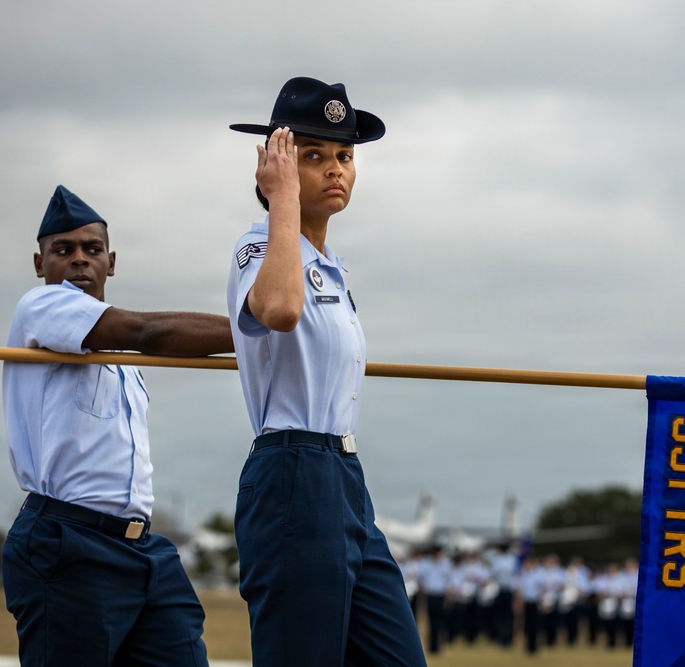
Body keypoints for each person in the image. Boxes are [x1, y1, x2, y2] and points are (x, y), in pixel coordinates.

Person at [226, 76, 427, 666]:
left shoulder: (328, 263)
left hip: (344, 476)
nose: (335, 168)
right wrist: (281, 199)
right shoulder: (258, 246)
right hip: (292, 470)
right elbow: (282, 311)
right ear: (276, 168)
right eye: (312, 157)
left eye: (344, 156)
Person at [1, 185, 234, 667]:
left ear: (111, 261)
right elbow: (144, 330)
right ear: (39, 264)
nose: (79, 261)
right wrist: (260, 326)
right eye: (62, 250)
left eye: (91, 249)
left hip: (141, 546)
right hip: (69, 539)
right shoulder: (41, 308)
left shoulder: (121, 358)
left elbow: (134, 336)